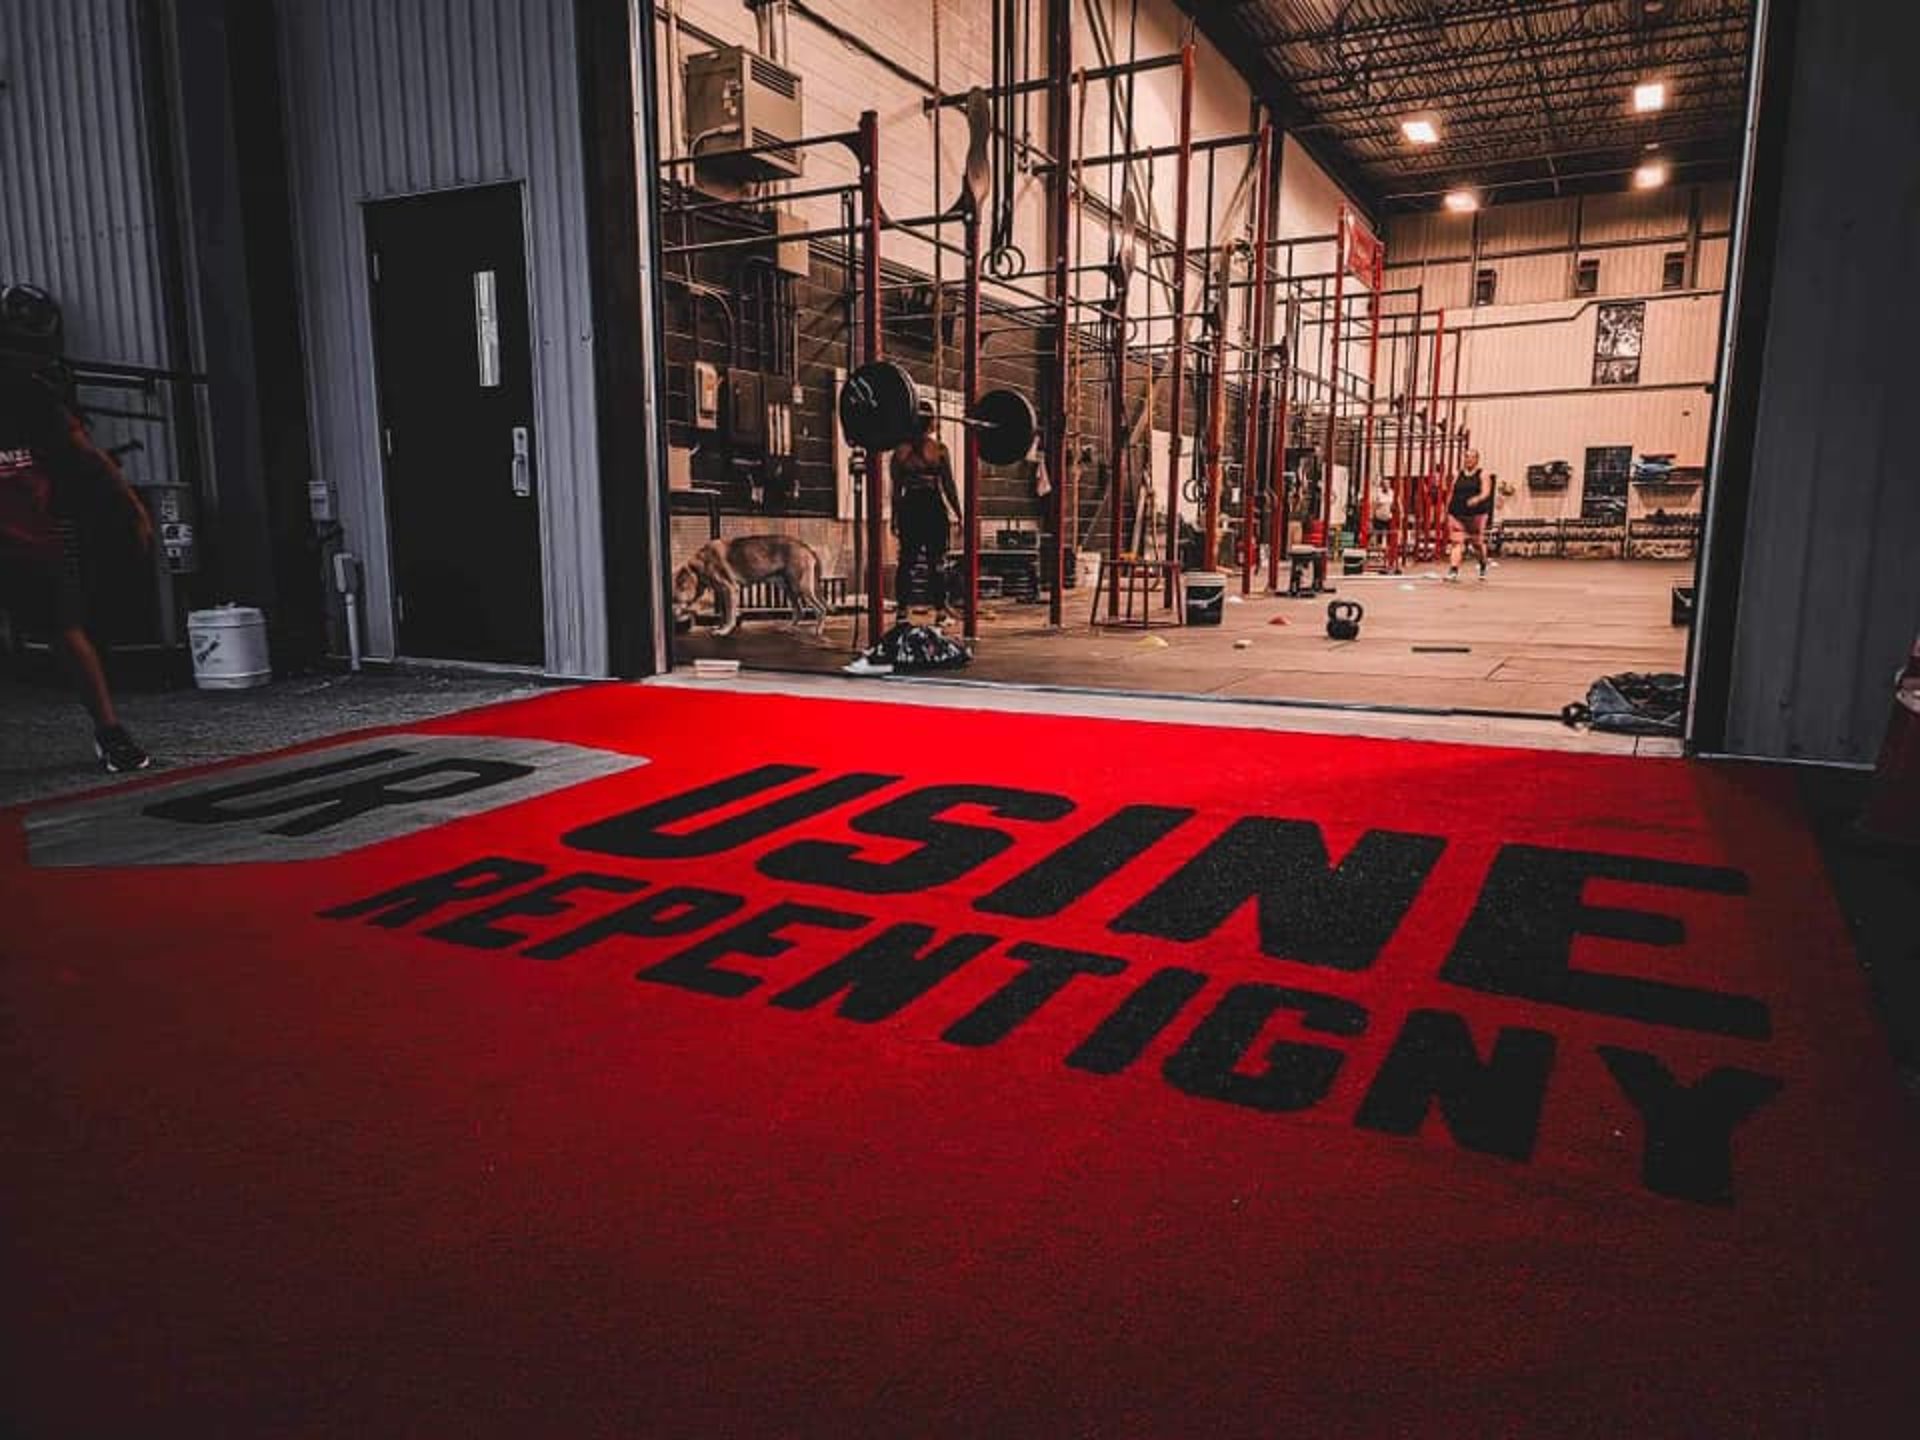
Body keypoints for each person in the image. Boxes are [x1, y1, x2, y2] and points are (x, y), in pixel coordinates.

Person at [1, 287, 154, 772]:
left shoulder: (32, 393)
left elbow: (83, 451)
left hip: (30, 534)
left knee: (68, 632)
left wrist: (132, 508)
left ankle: (110, 731)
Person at [888, 399, 962, 623]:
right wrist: (959, 513)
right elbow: (948, 485)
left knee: (907, 561)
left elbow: (896, 489)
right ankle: (940, 611)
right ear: (930, 423)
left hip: (910, 506)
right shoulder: (938, 450)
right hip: (932, 505)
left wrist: (894, 516)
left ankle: (902, 612)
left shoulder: (899, 452)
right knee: (936, 561)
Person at [1445, 447, 1493, 583]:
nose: (1469, 459)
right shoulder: (1457, 474)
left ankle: (1483, 565)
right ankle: (1453, 571)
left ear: (1477, 460)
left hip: (1476, 514)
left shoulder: (1483, 474)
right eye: (1466, 456)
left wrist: (1477, 499)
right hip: (1456, 513)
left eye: (1472, 457)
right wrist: (1447, 508)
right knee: (1456, 542)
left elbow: (1486, 492)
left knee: (1477, 544)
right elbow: (1451, 492)